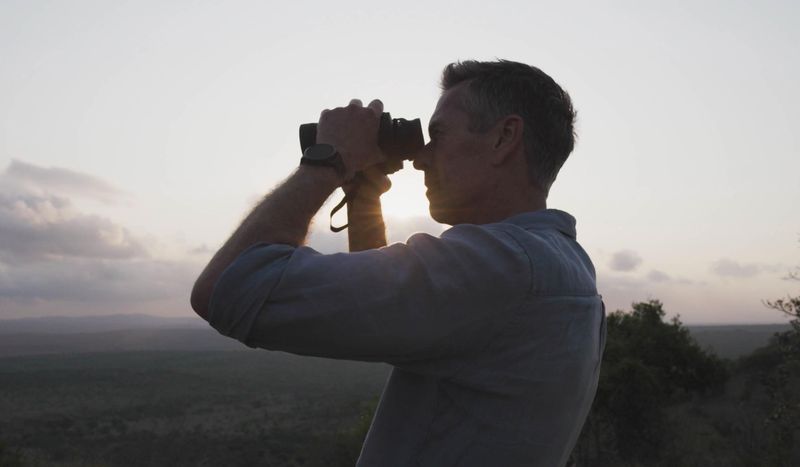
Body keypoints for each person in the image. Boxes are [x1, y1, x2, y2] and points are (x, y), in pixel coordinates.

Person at [191, 59, 606, 467]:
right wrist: (365, 194)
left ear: (504, 138)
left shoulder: (498, 266)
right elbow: (384, 316)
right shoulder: (563, 263)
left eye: (438, 134)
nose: (421, 158)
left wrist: (328, 160)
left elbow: (230, 287)